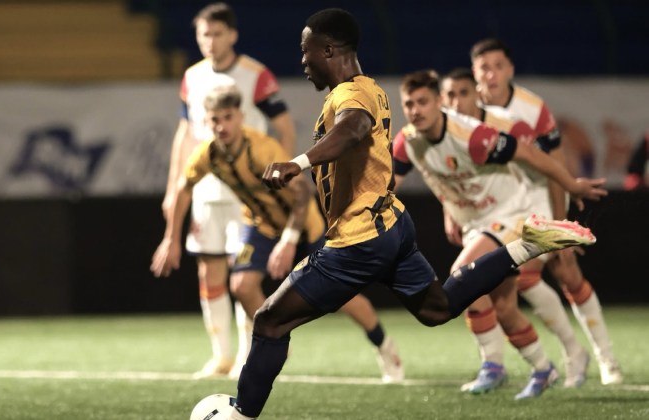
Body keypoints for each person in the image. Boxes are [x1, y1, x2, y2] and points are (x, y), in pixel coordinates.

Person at [226, 9, 603, 419]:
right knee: (436, 308)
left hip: (358, 240)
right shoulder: (370, 88)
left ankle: (241, 414)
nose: (302, 61)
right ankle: (525, 246)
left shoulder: (351, 96)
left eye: (306, 52)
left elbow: (352, 129)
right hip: (391, 225)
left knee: (269, 322)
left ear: (329, 50)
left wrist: (296, 163)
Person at [152, 85, 403, 383]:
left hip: (304, 226)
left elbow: (301, 194)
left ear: (240, 117)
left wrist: (288, 240)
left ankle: (384, 346)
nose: (221, 126)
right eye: (214, 120)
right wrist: (171, 237)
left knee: (342, 296)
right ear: (206, 122)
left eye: (227, 117)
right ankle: (276, 342)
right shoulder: (207, 154)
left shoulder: (261, 149)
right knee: (242, 285)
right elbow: (183, 186)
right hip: (261, 225)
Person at [393, 69, 610, 398]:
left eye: (423, 102)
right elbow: (389, 188)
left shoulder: (474, 135)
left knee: (462, 276)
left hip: (510, 215)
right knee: (505, 308)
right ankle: (543, 368)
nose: (415, 110)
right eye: (409, 104)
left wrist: (571, 184)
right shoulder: (407, 141)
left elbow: (533, 155)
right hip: (475, 223)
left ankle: (493, 365)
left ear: (439, 102)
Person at [470, 38, 623, 386]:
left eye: (497, 66)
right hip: (501, 203)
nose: (490, 74)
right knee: (515, 280)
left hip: (541, 193)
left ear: (510, 69)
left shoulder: (531, 109)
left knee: (565, 270)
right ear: (475, 73)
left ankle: (605, 358)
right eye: (483, 68)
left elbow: (555, 165)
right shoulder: (468, 109)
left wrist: (560, 223)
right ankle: (573, 353)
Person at [160, 2, 296, 379]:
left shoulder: (254, 75)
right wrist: (174, 187)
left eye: (218, 33)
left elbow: (283, 126)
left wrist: (280, 175)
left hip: (247, 196)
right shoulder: (192, 77)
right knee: (210, 274)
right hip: (205, 192)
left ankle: (247, 355)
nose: (211, 41)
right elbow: (186, 133)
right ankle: (220, 355)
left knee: (244, 274)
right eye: (204, 34)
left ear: (232, 35)